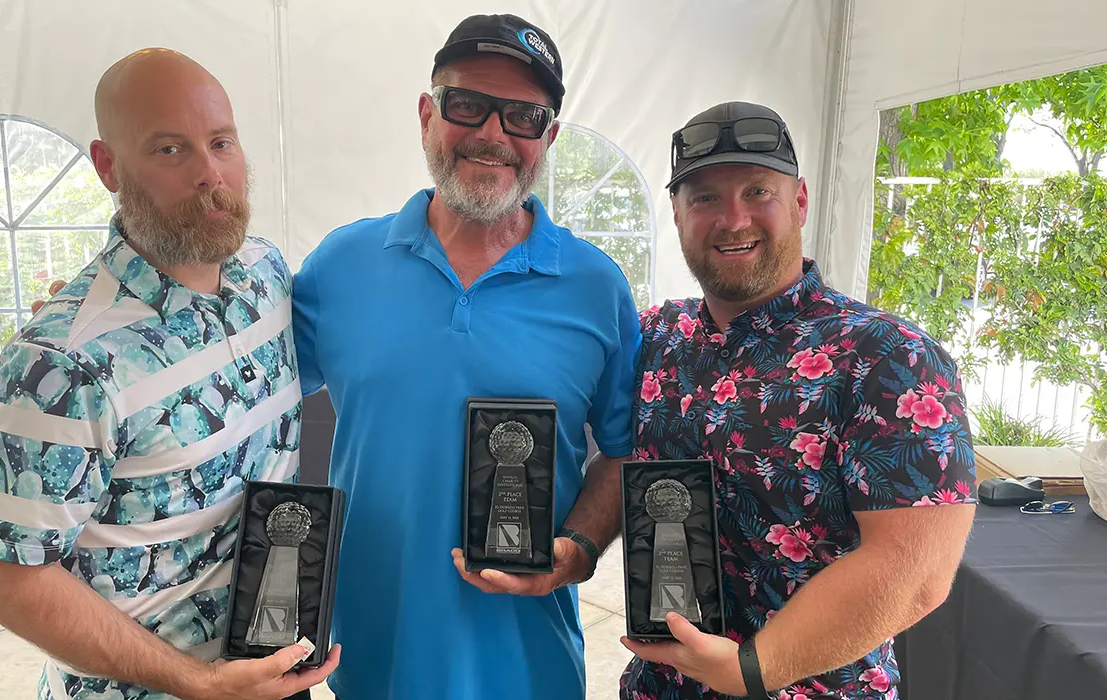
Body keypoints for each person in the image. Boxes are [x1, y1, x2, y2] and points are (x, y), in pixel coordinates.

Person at [0, 48, 338, 700]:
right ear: (107, 166)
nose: (210, 173)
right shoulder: (56, 367)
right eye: (170, 149)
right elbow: (7, 582)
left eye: (221, 142)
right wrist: (200, 682)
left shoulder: (265, 275)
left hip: (273, 668)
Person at [291, 13, 641, 700]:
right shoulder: (340, 265)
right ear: (428, 115)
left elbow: (625, 453)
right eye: (467, 104)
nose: (493, 134)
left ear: (548, 137)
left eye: (523, 116)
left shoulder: (597, 287)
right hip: (372, 667)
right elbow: (244, 391)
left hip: (533, 670)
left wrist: (577, 550)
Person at [617, 102, 977, 700]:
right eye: (705, 198)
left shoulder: (889, 357)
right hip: (659, 686)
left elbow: (916, 573)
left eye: (758, 191)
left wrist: (752, 669)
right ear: (677, 214)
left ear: (801, 201)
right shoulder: (655, 337)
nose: (733, 219)